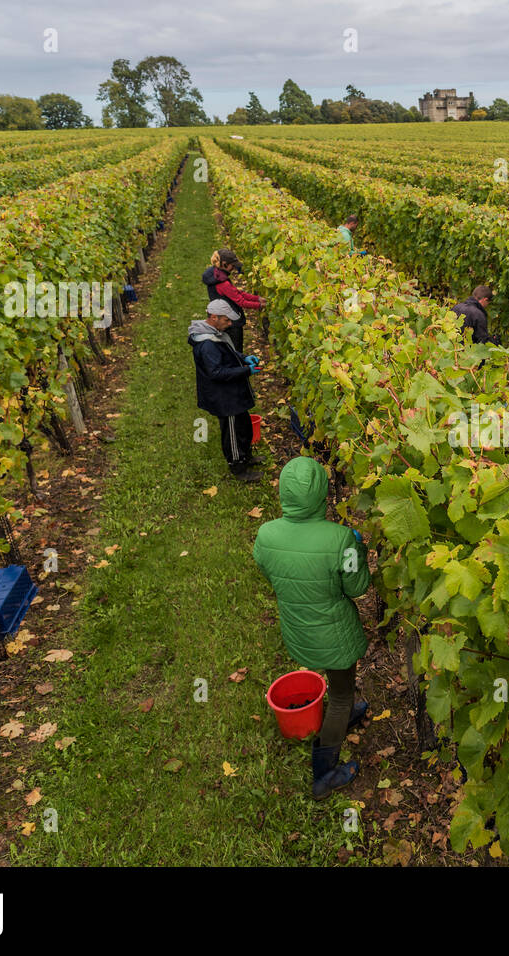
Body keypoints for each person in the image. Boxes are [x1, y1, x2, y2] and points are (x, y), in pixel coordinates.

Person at [253, 456, 372, 799]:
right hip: (335, 637)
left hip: (298, 630)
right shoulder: (340, 540)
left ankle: (344, 714)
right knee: (340, 694)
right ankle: (324, 773)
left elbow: (267, 568)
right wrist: (357, 549)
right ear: (323, 495)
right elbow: (357, 587)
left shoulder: (267, 534)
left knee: (338, 691)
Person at [188, 300, 264, 483]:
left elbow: (228, 352)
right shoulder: (206, 344)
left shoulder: (215, 334)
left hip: (232, 392)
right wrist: (246, 371)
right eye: (227, 320)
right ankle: (238, 466)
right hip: (224, 398)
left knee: (244, 424)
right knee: (232, 432)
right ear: (214, 317)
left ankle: (246, 456)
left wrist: (244, 358)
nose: (230, 324)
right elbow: (216, 373)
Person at [202, 249, 263, 353]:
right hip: (231, 322)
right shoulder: (222, 283)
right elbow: (241, 301)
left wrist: (256, 298)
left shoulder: (216, 276)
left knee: (227, 349)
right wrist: (260, 305)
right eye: (232, 265)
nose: (234, 268)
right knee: (236, 351)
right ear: (224, 264)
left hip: (221, 317)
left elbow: (237, 293)